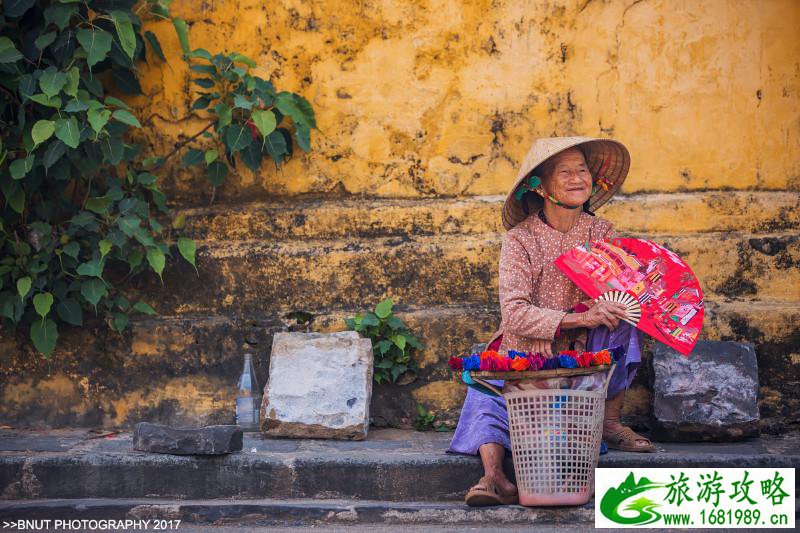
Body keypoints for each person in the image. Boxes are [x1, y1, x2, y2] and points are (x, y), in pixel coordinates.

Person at [447, 137, 656, 507]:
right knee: (489, 392)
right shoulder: (521, 239)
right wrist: (570, 319)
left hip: (584, 353)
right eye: (565, 172)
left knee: (624, 320)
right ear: (541, 186)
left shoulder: (601, 233)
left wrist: (594, 313)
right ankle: (493, 476)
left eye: (582, 170)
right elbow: (514, 312)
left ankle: (608, 422)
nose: (578, 178)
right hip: (528, 348)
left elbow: (616, 291)